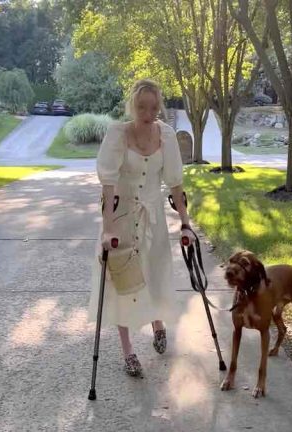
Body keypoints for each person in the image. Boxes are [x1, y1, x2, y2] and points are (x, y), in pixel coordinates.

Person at [88, 79, 194, 377]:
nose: (147, 113)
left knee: (153, 274)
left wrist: (185, 223)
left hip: (154, 220)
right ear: (132, 106)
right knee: (124, 282)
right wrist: (108, 229)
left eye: (152, 107)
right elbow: (108, 185)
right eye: (141, 107)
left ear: (159, 106)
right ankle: (128, 352)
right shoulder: (118, 134)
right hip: (121, 220)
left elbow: (175, 183)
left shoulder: (167, 135)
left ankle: (157, 322)